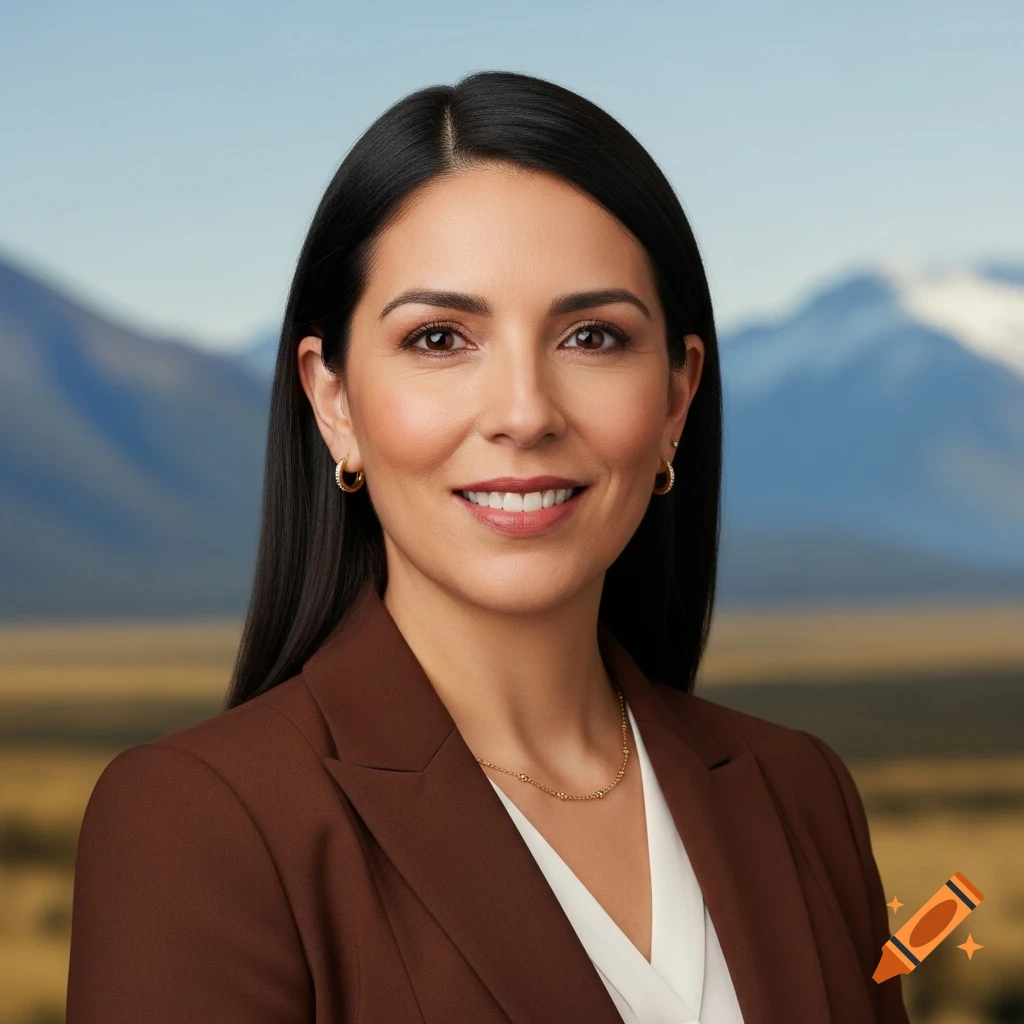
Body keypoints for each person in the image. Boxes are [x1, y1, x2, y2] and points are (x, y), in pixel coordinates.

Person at [65, 71, 910, 1024]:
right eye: (439, 339)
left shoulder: (802, 794)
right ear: (333, 401)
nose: (523, 413)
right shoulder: (202, 822)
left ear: (678, 396)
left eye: (592, 336)